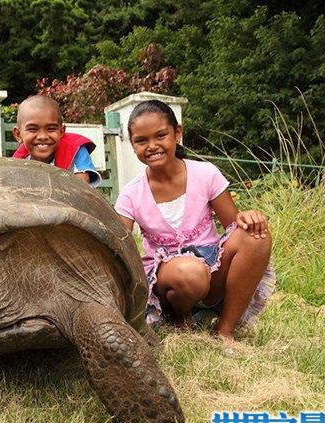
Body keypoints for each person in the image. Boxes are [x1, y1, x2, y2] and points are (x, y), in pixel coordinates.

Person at [114, 99, 274, 341]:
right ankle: (180, 316)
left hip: (213, 268)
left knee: (255, 236)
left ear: (177, 133)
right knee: (190, 272)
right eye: (141, 140)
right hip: (171, 280)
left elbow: (234, 226)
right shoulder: (131, 194)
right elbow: (120, 246)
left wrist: (249, 217)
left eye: (160, 135)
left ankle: (225, 330)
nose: (152, 146)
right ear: (132, 145)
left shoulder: (205, 173)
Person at [11, 95, 101, 188]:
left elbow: (82, 184)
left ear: (61, 131)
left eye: (51, 129)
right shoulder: (19, 160)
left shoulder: (75, 149)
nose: (43, 136)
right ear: (18, 134)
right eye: (33, 129)